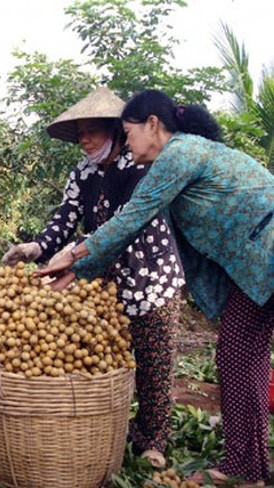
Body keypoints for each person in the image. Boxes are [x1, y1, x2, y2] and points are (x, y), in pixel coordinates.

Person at [36, 88, 274, 487]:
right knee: (246, 358)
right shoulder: (188, 152)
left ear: (151, 125)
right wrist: (81, 267)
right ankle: (252, 466)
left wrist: (74, 256)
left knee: (235, 355)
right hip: (260, 258)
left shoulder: (177, 154)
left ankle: (243, 466)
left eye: (128, 133)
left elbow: (134, 216)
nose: (128, 143)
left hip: (265, 253)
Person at [2, 86, 185, 469]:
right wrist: (38, 246)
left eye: (93, 132)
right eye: (80, 133)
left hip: (151, 278)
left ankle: (154, 439)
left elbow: (122, 227)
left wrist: (72, 255)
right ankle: (110, 429)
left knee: (154, 362)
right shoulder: (83, 173)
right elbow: (66, 216)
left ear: (116, 131)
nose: (84, 141)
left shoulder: (141, 167)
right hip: (106, 280)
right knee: (111, 359)